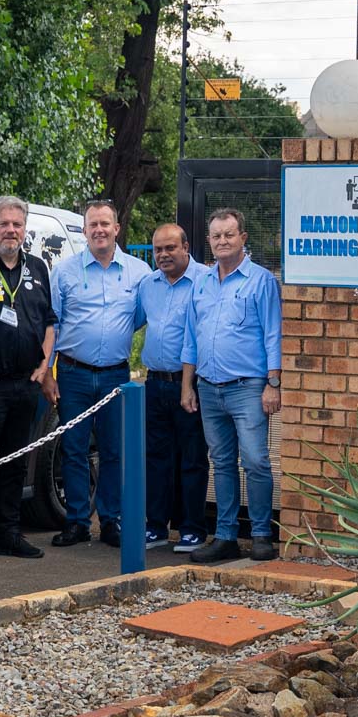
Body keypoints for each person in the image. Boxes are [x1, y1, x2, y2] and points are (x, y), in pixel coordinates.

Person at [47, 198, 151, 547]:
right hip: (73, 373)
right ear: (85, 229)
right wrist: (48, 372)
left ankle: (110, 521)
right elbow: (54, 325)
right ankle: (77, 521)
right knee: (74, 449)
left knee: (113, 451)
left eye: (105, 224)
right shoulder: (64, 272)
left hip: (115, 375)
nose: (99, 230)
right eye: (93, 224)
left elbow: (138, 318)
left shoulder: (138, 273)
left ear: (117, 228)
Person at [183, 207, 283, 564]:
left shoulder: (261, 281)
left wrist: (273, 383)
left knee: (255, 461)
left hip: (248, 388)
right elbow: (190, 338)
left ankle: (260, 535)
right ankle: (225, 536)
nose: (222, 240)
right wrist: (187, 385)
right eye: (216, 236)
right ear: (208, 241)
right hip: (209, 387)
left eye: (229, 234)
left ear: (243, 238)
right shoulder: (202, 283)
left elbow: (273, 334)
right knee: (221, 463)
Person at [0, 196, 57, 566]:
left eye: (17, 224)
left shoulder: (38, 266)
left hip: (27, 383)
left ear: (25, 228)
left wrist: (45, 365)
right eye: (4, 224)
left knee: (17, 463)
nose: (11, 230)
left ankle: (9, 534)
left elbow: (50, 321)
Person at [135, 224, 211, 553]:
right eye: (158, 250)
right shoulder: (148, 285)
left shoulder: (205, 281)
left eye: (170, 248)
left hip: (189, 385)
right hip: (154, 382)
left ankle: (193, 528)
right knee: (156, 458)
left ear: (186, 247)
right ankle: (156, 526)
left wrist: (188, 385)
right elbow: (135, 322)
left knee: (192, 458)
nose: (163, 255)